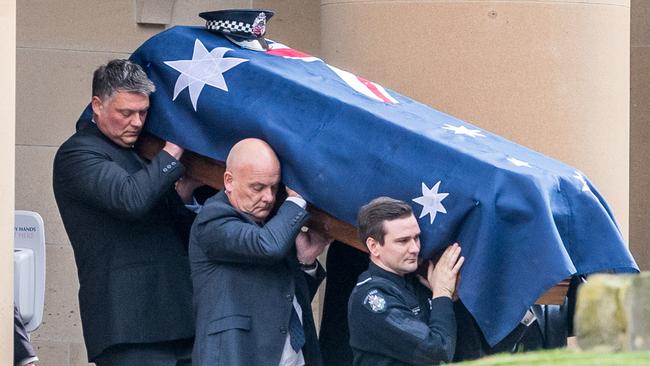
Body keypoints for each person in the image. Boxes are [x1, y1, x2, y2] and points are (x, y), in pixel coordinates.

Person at [53, 59, 200, 365]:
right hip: (127, 327)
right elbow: (130, 199)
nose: (136, 122)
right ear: (97, 105)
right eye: (126, 113)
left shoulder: (141, 156)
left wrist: (184, 190)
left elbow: (170, 224)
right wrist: (174, 150)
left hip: (180, 318)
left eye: (143, 112)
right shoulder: (78, 153)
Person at [189, 138, 330, 366]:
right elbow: (268, 247)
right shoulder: (213, 219)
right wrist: (296, 199)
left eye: (274, 187)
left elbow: (282, 295)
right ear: (229, 181)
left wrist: (305, 262)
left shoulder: (271, 225)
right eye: (258, 187)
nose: (269, 198)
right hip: (237, 356)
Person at [348, 197, 464, 366]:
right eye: (402, 241)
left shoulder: (416, 282)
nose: (415, 248)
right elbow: (438, 352)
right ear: (374, 246)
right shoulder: (372, 298)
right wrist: (442, 294)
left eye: (416, 238)